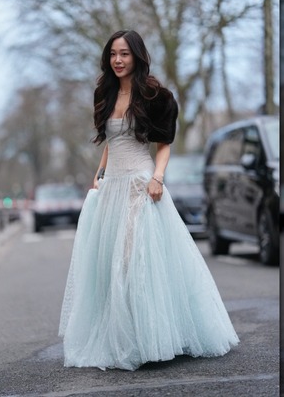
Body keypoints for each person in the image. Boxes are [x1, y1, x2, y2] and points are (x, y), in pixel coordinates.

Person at [58, 30, 239, 371]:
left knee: (130, 261)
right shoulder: (105, 93)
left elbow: (163, 144)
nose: (118, 60)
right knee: (107, 264)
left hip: (140, 185)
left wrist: (158, 177)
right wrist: (99, 174)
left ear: (137, 56)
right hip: (111, 187)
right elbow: (111, 141)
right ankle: (120, 339)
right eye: (113, 54)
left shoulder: (156, 96)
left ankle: (148, 339)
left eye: (124, 53)